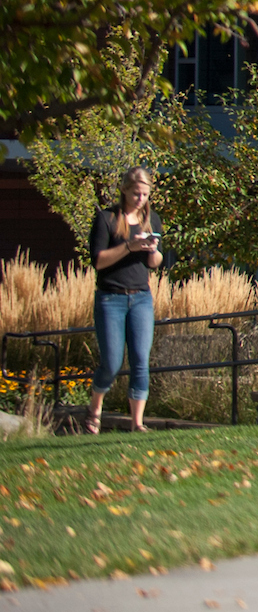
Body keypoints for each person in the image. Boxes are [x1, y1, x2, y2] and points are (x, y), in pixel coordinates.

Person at [86, 166, 164, 433]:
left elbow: (156, 263)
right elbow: (98, 261)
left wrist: (152, 249)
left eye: (144, 194)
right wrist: (129, 246)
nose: (140, 199)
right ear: (124, 191)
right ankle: (95, 408)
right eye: (135, 194)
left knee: (141, 360)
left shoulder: (152, 220)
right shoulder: (107, 219)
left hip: (141, 297)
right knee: (112, 362)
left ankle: (137, 422)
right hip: (111, 298)